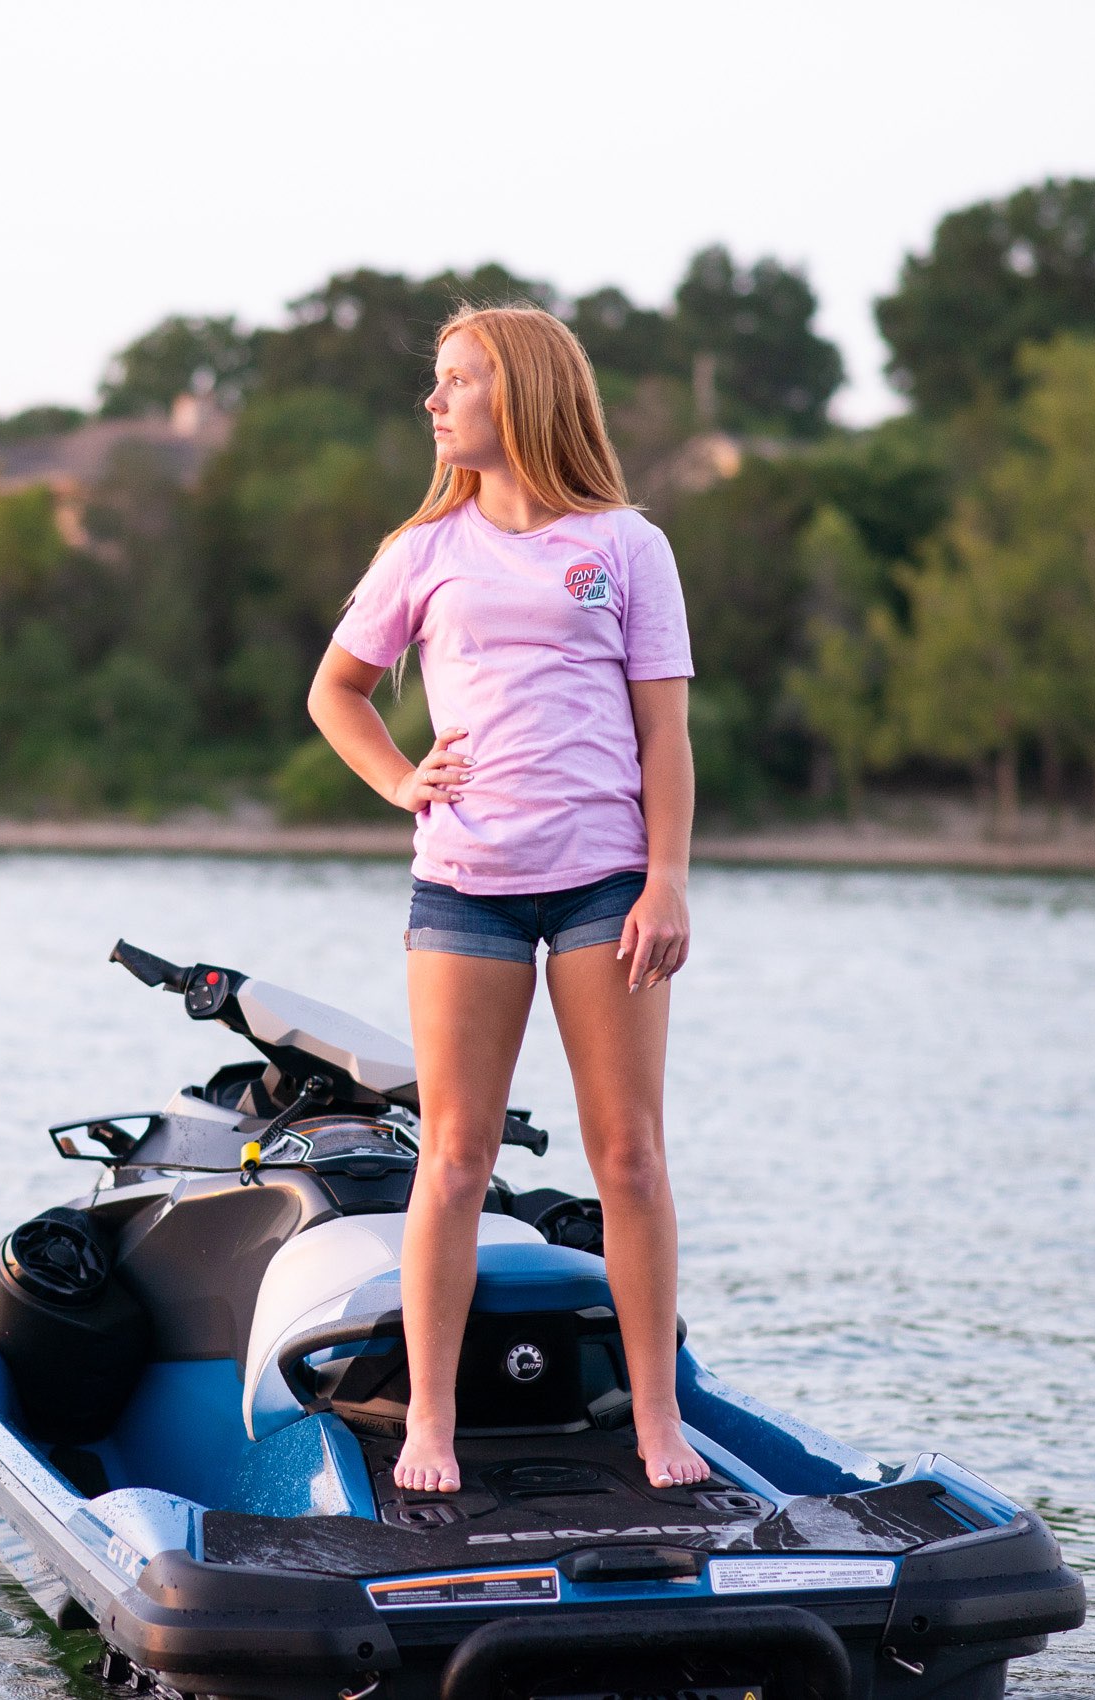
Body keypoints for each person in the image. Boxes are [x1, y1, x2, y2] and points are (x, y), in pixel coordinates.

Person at [305, 304, 708, 1496]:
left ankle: (654, 1419)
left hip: (605, 883)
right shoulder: (422, 549)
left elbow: (665, 733)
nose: (434, 403)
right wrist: (397, 778)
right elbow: (338, 690)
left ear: (521, 390)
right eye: (434, 382)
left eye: (457, 380)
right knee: (456, 1156)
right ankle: (429, 1421)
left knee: (628, 1155)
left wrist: (669, 876)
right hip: (466, 889)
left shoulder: (627, 544)